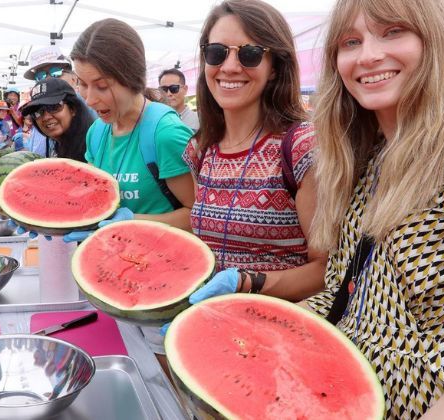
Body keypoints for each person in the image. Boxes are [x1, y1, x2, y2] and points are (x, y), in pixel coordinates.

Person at [304, 1, 444, 418]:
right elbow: (344, 297)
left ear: (434, 42)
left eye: (393, 32)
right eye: (351, 41)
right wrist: (245, 316)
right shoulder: (366, 160)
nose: (368, 55)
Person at [173, 0, 326, 310]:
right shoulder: (200, 149)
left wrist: (248, 282)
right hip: (211, 323)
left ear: (274, 69)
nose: (229, 67)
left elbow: (327, 269)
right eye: (216, 52)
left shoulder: (302, 148)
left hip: (278, 331)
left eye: (250, 54)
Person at [69, 18, 196, 360]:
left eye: (102, 85)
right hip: (117, 276)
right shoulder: (97, 133)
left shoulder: (164, 134)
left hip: (167, 286)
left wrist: (133, 221)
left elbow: (200, 216)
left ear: (132, 78)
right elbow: (97, 201)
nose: (90, 98)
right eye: (82, 84)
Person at [19, 77, 94, 162]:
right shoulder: (56, 147)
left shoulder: (94, 147)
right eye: (37, 112)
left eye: (54, 107)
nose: (46, 117)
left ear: (73, 108)